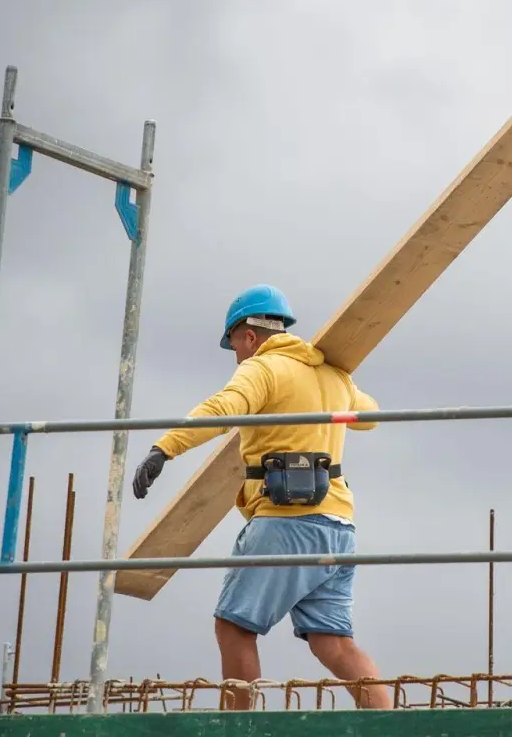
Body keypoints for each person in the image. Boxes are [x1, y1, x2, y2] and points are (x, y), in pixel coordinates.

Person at [131, 284, 392, 710]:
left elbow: (223, 408)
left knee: (233, 627)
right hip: (338, 527)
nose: (234, 353)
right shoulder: (331, 374)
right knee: (334, 642)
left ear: (249, 336)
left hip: (285, 522)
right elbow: (371, 417)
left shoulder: (263, 368)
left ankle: (241, 729)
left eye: (233, 342)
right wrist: (331, 384)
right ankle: (390, 726)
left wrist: (166, 448)